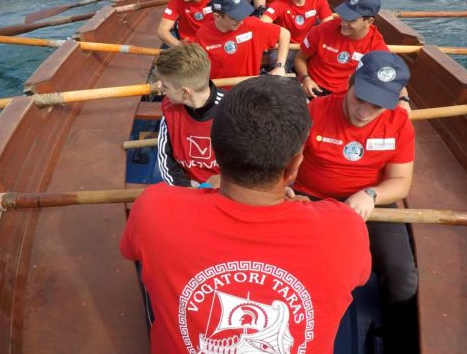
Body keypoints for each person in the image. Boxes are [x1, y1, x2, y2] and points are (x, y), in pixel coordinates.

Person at [121, 75, 372, 353]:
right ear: (294, 165)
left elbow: (131, 251)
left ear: (215, 152)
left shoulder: (153, 209)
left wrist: (205, 187)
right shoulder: (345, 229)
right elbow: (360, 277)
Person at [292, 51, 417, 352]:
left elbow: (400, 183)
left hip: (369, 203)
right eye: (360, 98)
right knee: (298, 264)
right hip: (309, 197)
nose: (364, 111)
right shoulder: (314, 111)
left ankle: (397, 339)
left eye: (377, 106)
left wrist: (370, 194)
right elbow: (288, 163)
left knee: (404, 278)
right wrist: (287, 190)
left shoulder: (399, 124)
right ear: (350, 84)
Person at [294, 0, 389, 98]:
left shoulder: (377, 46)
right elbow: (300, 58)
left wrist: (403, 100)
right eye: (344, 15)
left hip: (344, 97)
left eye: (352, 19)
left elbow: (390, 77)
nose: (344, 23)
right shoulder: (322, 30)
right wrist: (306, 79)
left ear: (369, 22)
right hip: (312, 89)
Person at [155, 44, 223, 188]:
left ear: (185, 93)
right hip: (186, 185)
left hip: (223, 188)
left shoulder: (231, 111)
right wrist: (185, 188)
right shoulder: (169, 108)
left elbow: (244, 167)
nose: (160, 89)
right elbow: (166, 158)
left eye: (165, 86)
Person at [193, 0, 290, 79]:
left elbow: (284, 34)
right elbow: (198, 69)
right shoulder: (202, 35)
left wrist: (280, 66)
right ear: (217, 16)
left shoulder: (251, 25)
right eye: (234, 17)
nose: (241, 20)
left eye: (241, 13)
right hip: (219, 91)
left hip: (248, 90)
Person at [260, 0, 334, 71]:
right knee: (275, 60)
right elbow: (263, 23)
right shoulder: (280, 3)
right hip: (288, 46)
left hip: (310, 45)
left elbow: (329, 25)